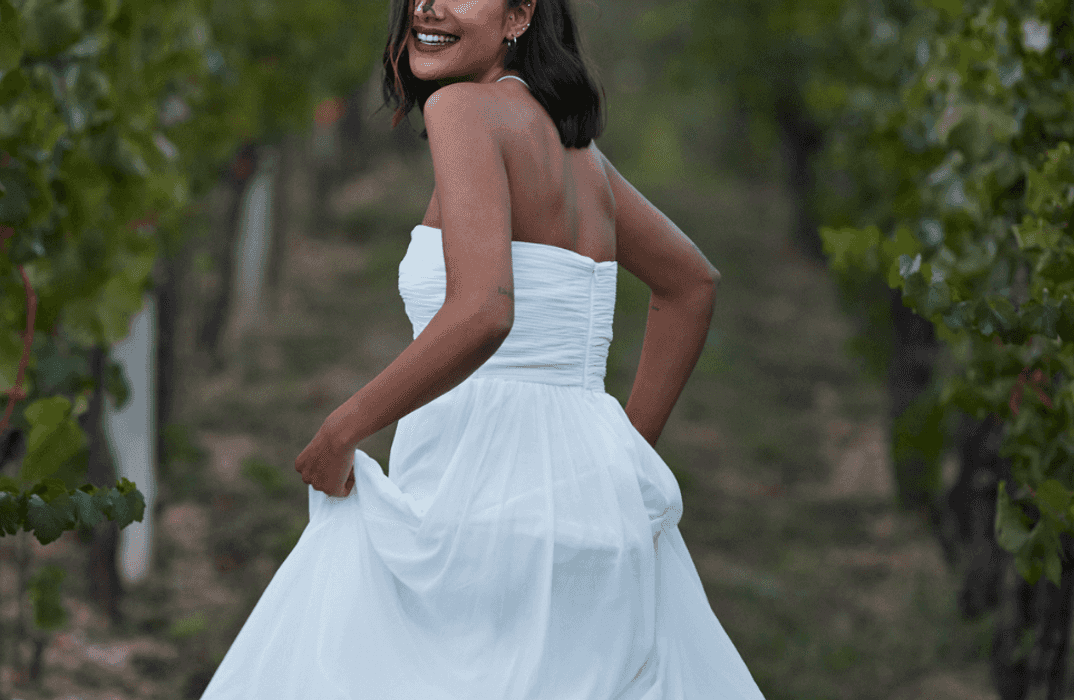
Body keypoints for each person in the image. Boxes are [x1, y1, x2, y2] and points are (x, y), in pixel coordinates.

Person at [197, 0, 768, 697]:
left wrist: (341, 430)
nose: (427, 6)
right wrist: (625, 458)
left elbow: (482, 311)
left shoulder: (463, 110)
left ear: (518, 15)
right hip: (593, 499)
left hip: (483, 489)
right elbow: (691, 284)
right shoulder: (577, 155)